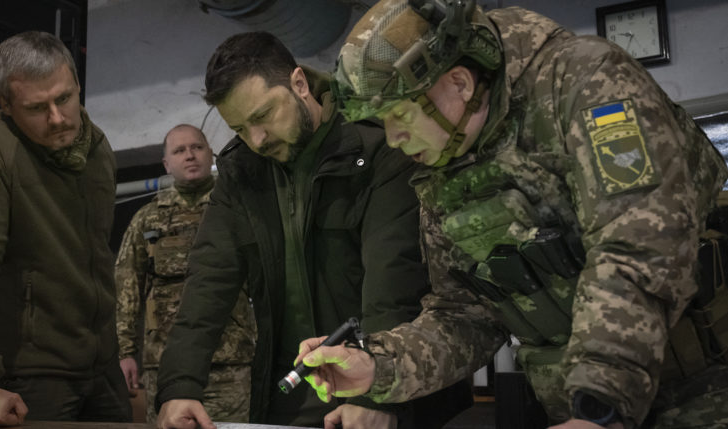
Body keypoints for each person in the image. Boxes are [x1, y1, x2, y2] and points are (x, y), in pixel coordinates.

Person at [295, 0, 728, 428]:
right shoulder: (445, 159)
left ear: (460, 83)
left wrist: (601, 405)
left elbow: (637, 249)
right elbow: (466, 314)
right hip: (578, 408)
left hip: (701, 393)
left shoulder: (585, 83)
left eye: (399, 115)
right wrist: (377, 367)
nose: (393, 139)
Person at [155, 31, 471, 429]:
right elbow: (208, 281)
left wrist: (378, 396)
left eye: (262, 116)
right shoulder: (242, 173)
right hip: (288, 400)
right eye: (239, 129)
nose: (256, 139)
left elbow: (393, 282)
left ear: (299, 84)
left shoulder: (375, 148)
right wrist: (179, 386)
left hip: (391, 398)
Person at [0, 31, 131, 427]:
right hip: (31, 378)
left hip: (103, 372)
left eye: (64, 98)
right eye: (36, 107)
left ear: (78, 86)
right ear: (5, 105)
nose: (58, 118)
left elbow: (98, 259)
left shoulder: (99, 149)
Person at [115, 124, 256, 423]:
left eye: (197, 147)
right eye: (179, 151)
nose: (189, 155)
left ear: (210, 153)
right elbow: (127, 287)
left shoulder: (238, 209)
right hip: (164, 363)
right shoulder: (147, 219)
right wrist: (125, 351)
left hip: (230, 361)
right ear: (166, 164)